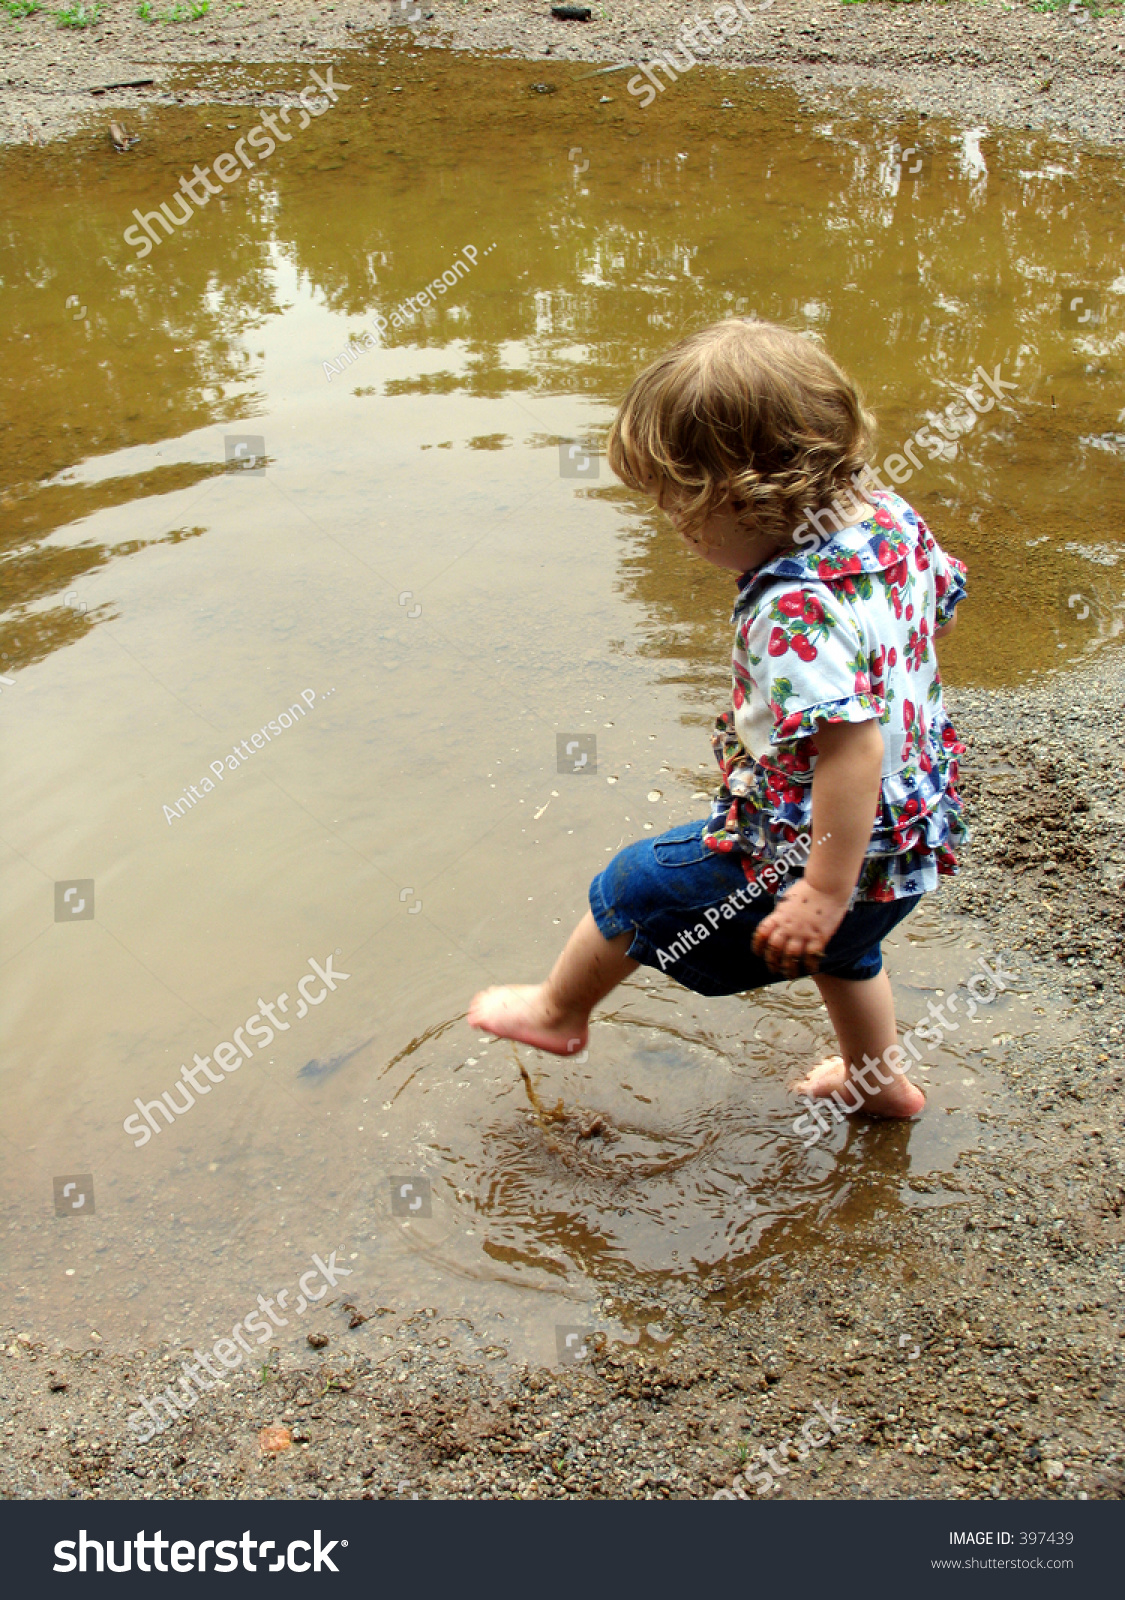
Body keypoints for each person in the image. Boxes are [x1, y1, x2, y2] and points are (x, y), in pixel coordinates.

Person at [469, 319, 967, 1122]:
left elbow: (851, 748)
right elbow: (932, 609)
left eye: (680, 514)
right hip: (909, 833)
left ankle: (557, 1013)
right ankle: (879, 1086)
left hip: (827, 848)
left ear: (741, 498)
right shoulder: (888, 518)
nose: (677, 534)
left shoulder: (792, 609)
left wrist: (818, 888)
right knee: (848, 953)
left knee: (633, 887)